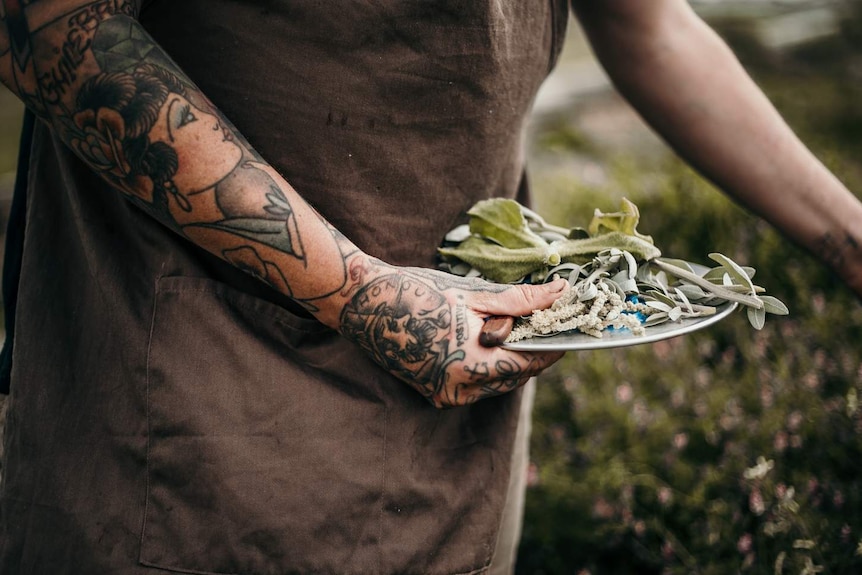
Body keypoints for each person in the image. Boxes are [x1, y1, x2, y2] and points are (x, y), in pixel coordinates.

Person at [0, 1, 859, 574]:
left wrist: (853, 244)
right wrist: (360, 293)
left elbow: (653, 29)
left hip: (462, 411)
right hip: (203, 403)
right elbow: (46, 26)